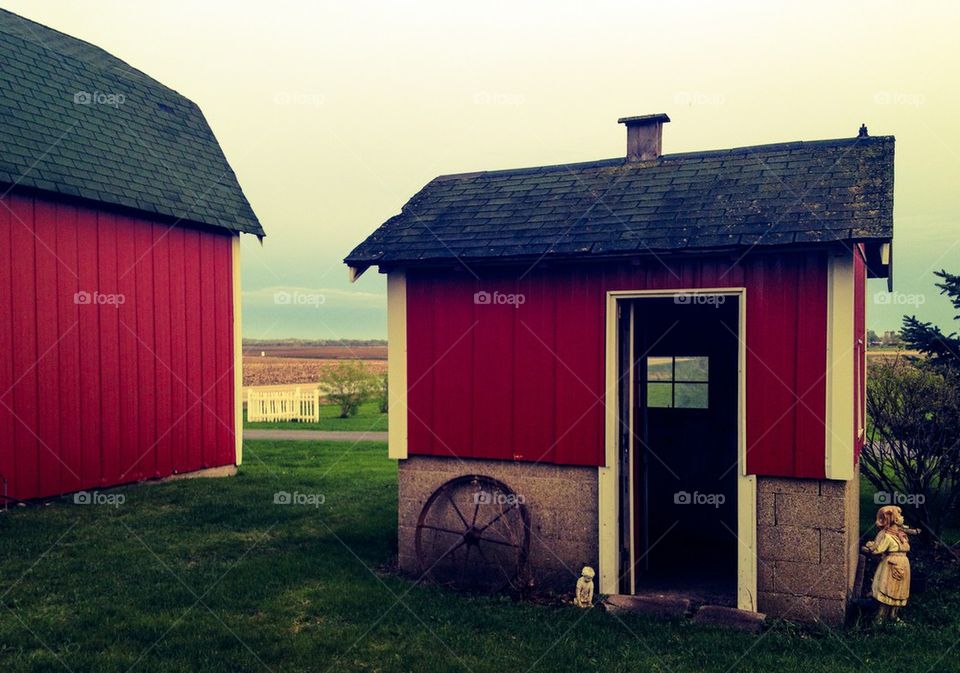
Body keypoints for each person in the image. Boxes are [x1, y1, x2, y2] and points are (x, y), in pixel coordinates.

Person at [862, 505, 919, 622]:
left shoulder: (901, 535)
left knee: (899, 591)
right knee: (889, 590)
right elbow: (878, 549)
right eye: (900, 515)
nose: (903, 517)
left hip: (903, 564)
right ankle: (881, 616)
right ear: (894, 519)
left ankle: (893, 615)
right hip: (891, 566)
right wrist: (869, 547)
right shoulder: (887, 537)